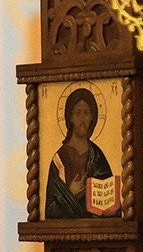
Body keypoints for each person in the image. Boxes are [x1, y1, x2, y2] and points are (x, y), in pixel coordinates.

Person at [45, 87, 119, 218]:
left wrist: (109, 209)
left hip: (96, 228)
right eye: (78, 113)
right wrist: (70, 193)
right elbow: (50, 210)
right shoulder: (60, 159)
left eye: (86, 113)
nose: (82, 119)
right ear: (71, 117)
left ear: (92, 118)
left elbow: (110, 201)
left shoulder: (97, 156)